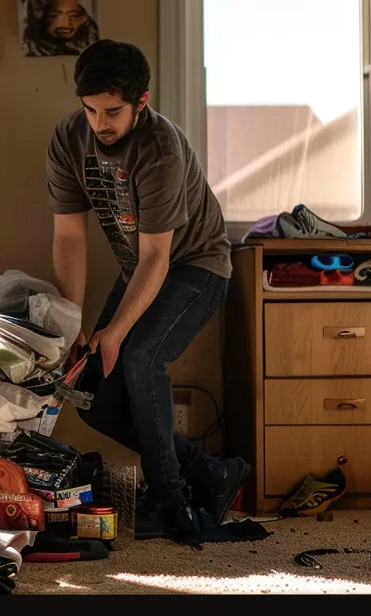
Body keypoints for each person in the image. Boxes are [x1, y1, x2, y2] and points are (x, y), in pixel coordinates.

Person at [45, 39, 246, 539]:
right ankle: (211, 472)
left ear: (143, 101)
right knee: (92, 392)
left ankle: (172, 501)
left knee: (139, 359)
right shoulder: (69, 138)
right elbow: (69, 237)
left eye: (112, 111)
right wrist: (74, 323)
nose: (99, 123)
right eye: (89, 110)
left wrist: (113, 331)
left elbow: (159, 255)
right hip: (139, 269)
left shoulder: (161, 147)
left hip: (196, 266)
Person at [24, 0, 98, 57]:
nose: (65, 23)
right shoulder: (32, 46)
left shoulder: (91, 44)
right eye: (55, 15)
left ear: (85, 17)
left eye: (73, 15)